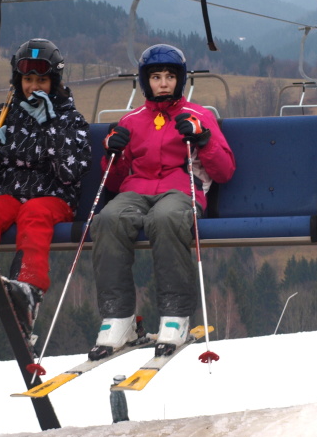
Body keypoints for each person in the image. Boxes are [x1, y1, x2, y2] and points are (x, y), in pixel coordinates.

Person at [0, 39, 92, 344]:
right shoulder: (2, 115)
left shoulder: (69, 119)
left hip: (53, 196)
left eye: (42, 81)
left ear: (54, 82)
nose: (33, 87)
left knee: (34, 214)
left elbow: (70, 172)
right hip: (9, 194)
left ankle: (27, 288)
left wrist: (50, 127)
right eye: (27, 79)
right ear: (18, 80)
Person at [89, 44, 235, 359]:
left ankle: (175, 315)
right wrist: (112, 154)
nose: (164, 83)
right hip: (136, 191)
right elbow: (112, 183)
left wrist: (204, 140)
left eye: (170, 76)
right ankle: (118, 317)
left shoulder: (199, 116)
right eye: (156, 77)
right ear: (146, 81)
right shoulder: (131, 120)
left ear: (180, 80)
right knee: (108, 220)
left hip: (181, 189)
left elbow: (224, 171)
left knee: (166, 218)